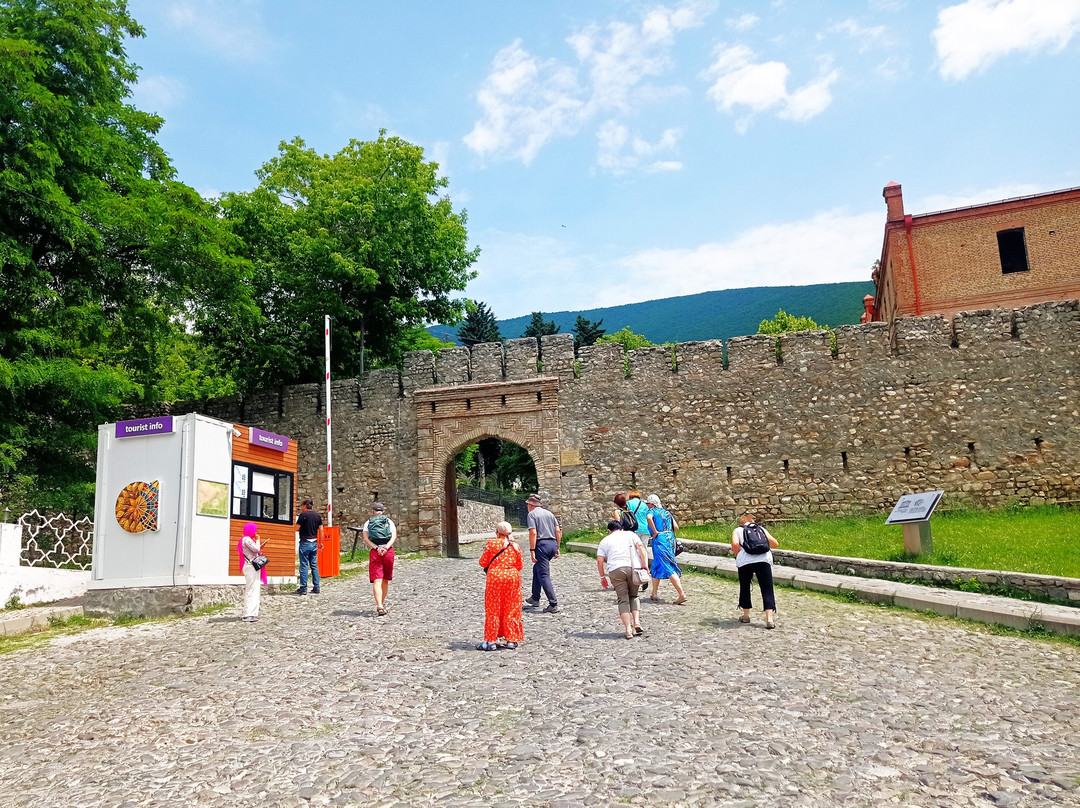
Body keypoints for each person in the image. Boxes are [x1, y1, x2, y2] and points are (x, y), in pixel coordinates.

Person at [596, 520, 649, 639]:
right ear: (621, 528)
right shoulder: (630, 534)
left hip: (615, 570)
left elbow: (600, 560)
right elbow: (641, 547)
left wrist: (602, 576)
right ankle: (636, 622)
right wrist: (644, 564)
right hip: (633, 566)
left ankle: (628, 629)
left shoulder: (605, 540)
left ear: (609, 531)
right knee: (634, 596)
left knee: (622, 599)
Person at [477, 521, 524, 651]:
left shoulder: (491, 544)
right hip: (512, 579)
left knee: (493, 608)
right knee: (512, 608)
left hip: (495, 579)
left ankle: (491, 641)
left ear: (497, 532)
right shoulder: (516, 546)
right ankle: (511, 640)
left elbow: (483, 562)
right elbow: (520, 566)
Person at [731, 514, 780, 629]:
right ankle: (769, 619)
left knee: (745, 587)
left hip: (745, 561)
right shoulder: (761, 529)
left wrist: (739, 555)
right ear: (752, 521)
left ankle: (746, 615)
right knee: (767, 588)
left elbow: (735, 544)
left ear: (741, 522)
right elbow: (775, 544)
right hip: (763, 560)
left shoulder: (738, 530)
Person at [646, 494, 687, 605]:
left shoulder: (652, 512)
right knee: (657, 564)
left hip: (660, 540)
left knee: (667, 565)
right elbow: (676, 527)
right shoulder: (667, 513)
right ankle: (654, 593)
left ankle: (681, 594)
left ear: (651, 504)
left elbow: (649, 518)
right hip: (670, 540)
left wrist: (655, 531)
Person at [524, 493, 562, 613]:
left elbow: (533, 533)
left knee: (544, 574)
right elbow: (558, 530)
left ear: (530, 505)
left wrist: (532, 550)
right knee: (537, 568)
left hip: (542, 545)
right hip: (552, 544)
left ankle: (553, 603)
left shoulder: (532, 515)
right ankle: (535, 597)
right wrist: (557, 547)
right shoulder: (549, 514)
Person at [362, 502, 397, 616]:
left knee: (377, 580)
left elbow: (366, 539)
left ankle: (379, 605)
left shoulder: (368, 523)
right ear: (383, 512)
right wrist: (386, 547)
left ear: (373, 512)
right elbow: (394, 536)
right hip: (388, 552)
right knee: (385, 579)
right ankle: (382, 604)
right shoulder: (388, 521)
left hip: (375, 553)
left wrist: (377, 548)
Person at [238, 522, 266, 622]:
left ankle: (251, 612)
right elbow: (256, 548)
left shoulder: (245, 539)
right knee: (252, 589)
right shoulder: (247, 539)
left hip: (249, 566)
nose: (256, 532)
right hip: (251, 567)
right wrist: (258, 540)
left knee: (253, 588)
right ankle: (249, 613)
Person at [623, 490, 651, 589]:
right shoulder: (644, 505)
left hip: (634, 529)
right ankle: (645, 572)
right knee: (644, 551)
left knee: (634, 552)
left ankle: (635, 576)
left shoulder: (628, 504)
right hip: (646, 530)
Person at [295, 499, 322, 595]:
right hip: (314, 542)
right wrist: (320, 542)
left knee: (304, 565)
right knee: (314, 565)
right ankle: (316, 586)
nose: (301, 508)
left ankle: (303, 588)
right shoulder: (317, 516)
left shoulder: (303, 515)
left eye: (301, 506)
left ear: (305, 505)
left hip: (305, 542)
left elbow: (296, 528)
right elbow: (321, 530)